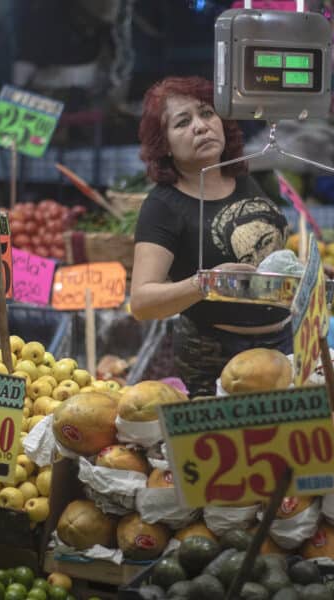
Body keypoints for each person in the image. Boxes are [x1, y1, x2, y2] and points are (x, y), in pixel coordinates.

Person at [131, 76, 292, 396]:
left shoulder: (242, 178)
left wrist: (302, 272)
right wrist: (207, 283)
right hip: (217, 357)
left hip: (284, 344)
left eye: (206, 113)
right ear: (164, 145)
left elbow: (259, 256)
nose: (201, 126)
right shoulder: (163, 206)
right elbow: (141, 302)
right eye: (182, 122)